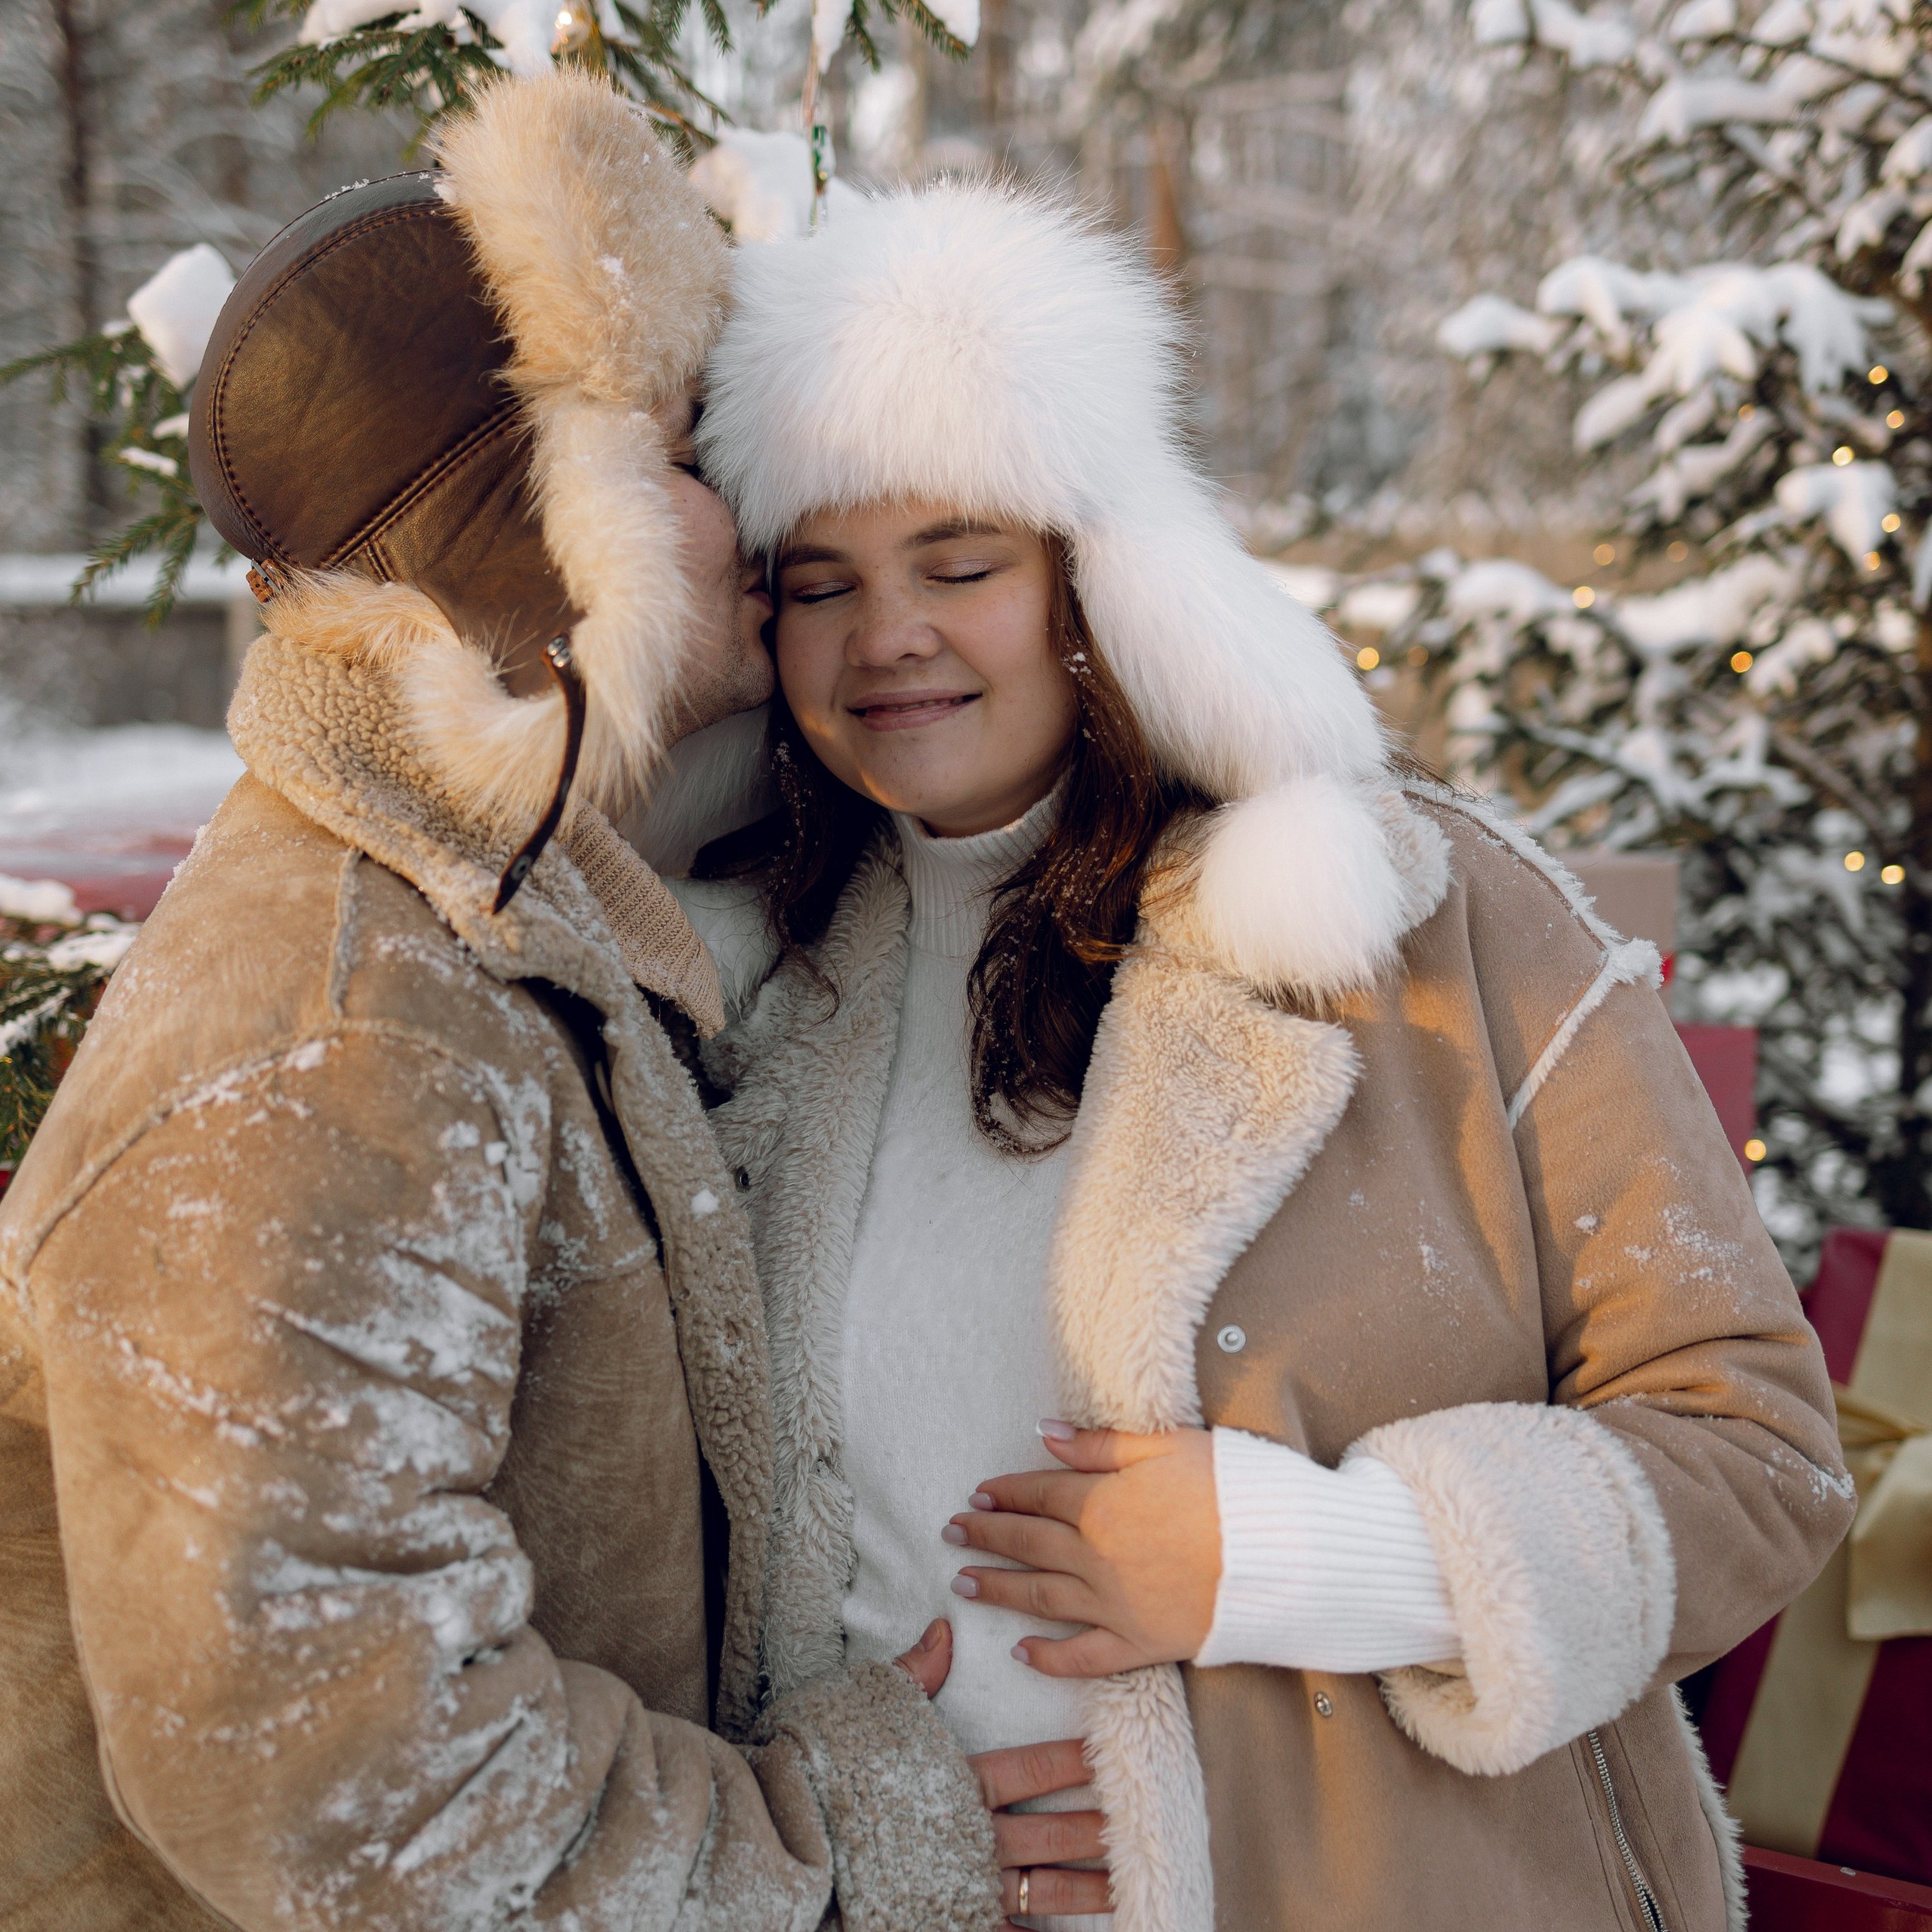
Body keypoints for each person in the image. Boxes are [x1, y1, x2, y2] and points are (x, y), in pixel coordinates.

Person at [666, 181, 1857, 1932]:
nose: (885, 635)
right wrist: (863, 1817)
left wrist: (1310, 1559)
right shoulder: (752, 997)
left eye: (959, 562)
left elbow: (1759, 1446)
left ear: (1095, 576)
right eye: (817, 584)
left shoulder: (1419, 924)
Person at [0, 75, 1023, 1932]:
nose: (756, 513)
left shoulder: (493, 924)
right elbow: (346, 1779)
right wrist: (844, 1847)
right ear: (569, 533)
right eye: (691, 461)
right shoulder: (341, 1038)